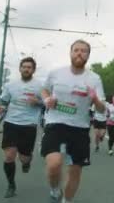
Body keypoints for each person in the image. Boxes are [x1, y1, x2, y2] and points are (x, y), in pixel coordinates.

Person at [41, 40, 106, 203]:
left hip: (80, 128)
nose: (79, 53)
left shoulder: (94, 78)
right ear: (70, 53)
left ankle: (67, 200)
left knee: (75, 170)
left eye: (84, 51)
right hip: (55, 123)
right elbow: (44, 89)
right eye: (76, 50)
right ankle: (55, 189)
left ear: (88, 55)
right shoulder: (56, 72)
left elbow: (101, 109)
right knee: (54, 165)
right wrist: (47, 98)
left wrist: (95, 98)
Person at [0, 57, 43, 198]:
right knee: (9, 156)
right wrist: (1, 108)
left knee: (24, 158)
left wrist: (38, 102)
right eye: (24, 67)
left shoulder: (40, 86)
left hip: (29, 125)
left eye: (29, 67)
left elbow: (48, 103)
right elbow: (4, 101)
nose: (26, 69)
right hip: (11, 123)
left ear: (33, 70)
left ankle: (27, 162)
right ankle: (11, 185)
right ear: (20, 68)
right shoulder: (11, 85)